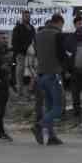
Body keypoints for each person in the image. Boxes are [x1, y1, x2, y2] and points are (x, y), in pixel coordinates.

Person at [32, 13, 66, 145]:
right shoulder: (57, 34)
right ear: (59, 22)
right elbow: (61, 54)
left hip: (41, 74)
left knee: (49, 105)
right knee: (58, 107)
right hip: (54, 74)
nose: (62, 28)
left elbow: (37, 52)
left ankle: (51, 136)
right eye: (62, 25)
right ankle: (39, 126)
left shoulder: (38, 34)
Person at [10, 11, 34, 95]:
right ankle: (20, 91)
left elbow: (34, 40)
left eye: (28, 16)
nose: (27, 18)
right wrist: (20, 50)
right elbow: (14, 42)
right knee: (20, 73)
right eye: (26, 16)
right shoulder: (18, 28)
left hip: (31, 54)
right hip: (21, 54)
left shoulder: (32, 27)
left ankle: (30, 90)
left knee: (32, 72)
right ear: (22, 17)